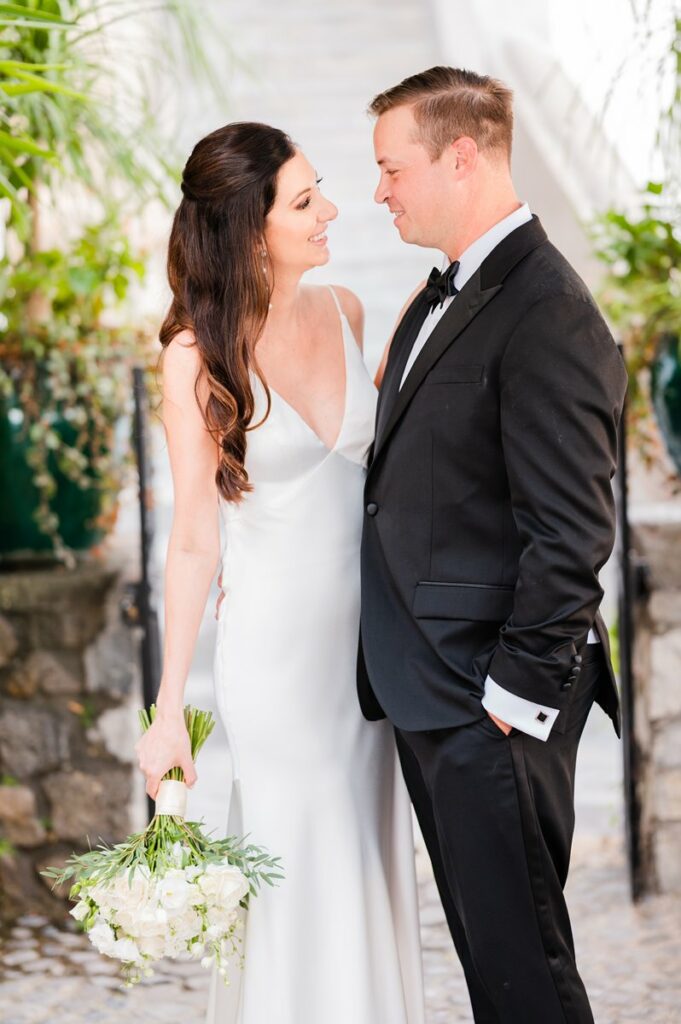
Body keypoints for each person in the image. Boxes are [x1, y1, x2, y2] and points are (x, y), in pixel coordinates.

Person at [134, 121, 425, 1024]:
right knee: (297, 875)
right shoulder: (195, 359)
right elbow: (191, 542)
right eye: (304, 202)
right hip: (277, 669)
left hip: (366, 663)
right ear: (248, 229)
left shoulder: (345, 310)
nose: (331, 210)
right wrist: (171, 709)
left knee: (366, 865)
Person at [358, 67, 628, 1024]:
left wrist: (508, 702)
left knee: (526, 977)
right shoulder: (447, 295)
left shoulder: (547, 310)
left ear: (460, 157)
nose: (379, 190)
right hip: (435, 691)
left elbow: (571, 532)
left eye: (392, 169)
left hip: (488, 703)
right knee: (491, 968)